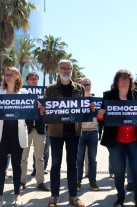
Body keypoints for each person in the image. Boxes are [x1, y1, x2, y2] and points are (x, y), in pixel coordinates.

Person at [44, 60, 95, 207]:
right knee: (55, 164)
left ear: (72, 70)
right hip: (55, 132)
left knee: (72, 164)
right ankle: (54, 196)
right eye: (63, 68)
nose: (66, 71)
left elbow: (83, 109)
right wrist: (42, 110)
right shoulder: (50, 89)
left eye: (69, 68)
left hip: (74, 131)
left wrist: (90, 107)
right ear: (58, 70)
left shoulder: (79, 88)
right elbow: (46, 110)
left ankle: (73, 196)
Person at [97, 69, 137, 207]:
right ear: (116, 81)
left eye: (127, 78)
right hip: (116, 140)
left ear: (130, 81)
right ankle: (120, 196)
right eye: (121, 78)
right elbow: (102, 119)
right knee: (119, 170)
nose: (125, 80)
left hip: (134, 139)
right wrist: (100, 115)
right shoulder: (108, 95)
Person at [0, 67, 28, 207]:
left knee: (17, 165)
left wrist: (34, 108)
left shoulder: (24, 93)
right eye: (6, 75)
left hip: (17, 133)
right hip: (1, 133)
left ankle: (17, 196)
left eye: (10, 75)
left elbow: (27, 113)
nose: (7, 77)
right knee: (1, 166)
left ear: (17, 77)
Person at [21, 72, 49, 191]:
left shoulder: (45, 94)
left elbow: (50, 110)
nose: (34, 80)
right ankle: (21, 182)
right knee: (23, 158)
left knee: (39, 158)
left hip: (39, 129)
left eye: (36, 79)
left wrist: (44, 109)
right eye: (31, 78)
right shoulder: (21, 93)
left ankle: (40, 182)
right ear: (26, 81)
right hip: (25, 129)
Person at [77, 78, 99, 191]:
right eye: (84, 84)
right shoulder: (75, 100)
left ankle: (93, 182)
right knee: (79, 159)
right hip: (80, 132)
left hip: (93, 132)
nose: (86, 86)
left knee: (92, 159)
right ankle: (77, 182)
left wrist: (96, 110)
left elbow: (101, 117)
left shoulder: (96, 100)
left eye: (88, 84)